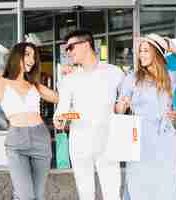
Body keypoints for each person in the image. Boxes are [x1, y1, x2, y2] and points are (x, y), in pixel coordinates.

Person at [0, 24, 59, 200]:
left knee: (38, 196)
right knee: (25, 195)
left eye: (34, 56)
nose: (31, 59)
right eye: (27, 54)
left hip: (41, 138)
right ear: (16, 56)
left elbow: (59, 98)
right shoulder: (0, 82)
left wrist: (69, 79)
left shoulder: (35, 85)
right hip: (17, 142)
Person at [116, 33, 176, 200]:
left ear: (157, 53)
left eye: (146, 51)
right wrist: (124, 104)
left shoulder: (170, 77)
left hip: (163, 139)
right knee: (139, 186)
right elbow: (119, 109)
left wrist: (175, 50)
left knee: (165, 186)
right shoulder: (132, 78)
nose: (141, 54)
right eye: (140, 51)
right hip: (139, 140)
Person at [53, 29, 124, 200]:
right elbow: (61, 112)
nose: (68, 52)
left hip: (108, 142)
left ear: (86, 45)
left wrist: (122, 108)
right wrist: (59, 120)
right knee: (85, 193)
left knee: (112, 192)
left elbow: (126, 105)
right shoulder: (69, 80)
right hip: (79, 143)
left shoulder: (115, 73)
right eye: (67, 49)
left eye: (71, 47)